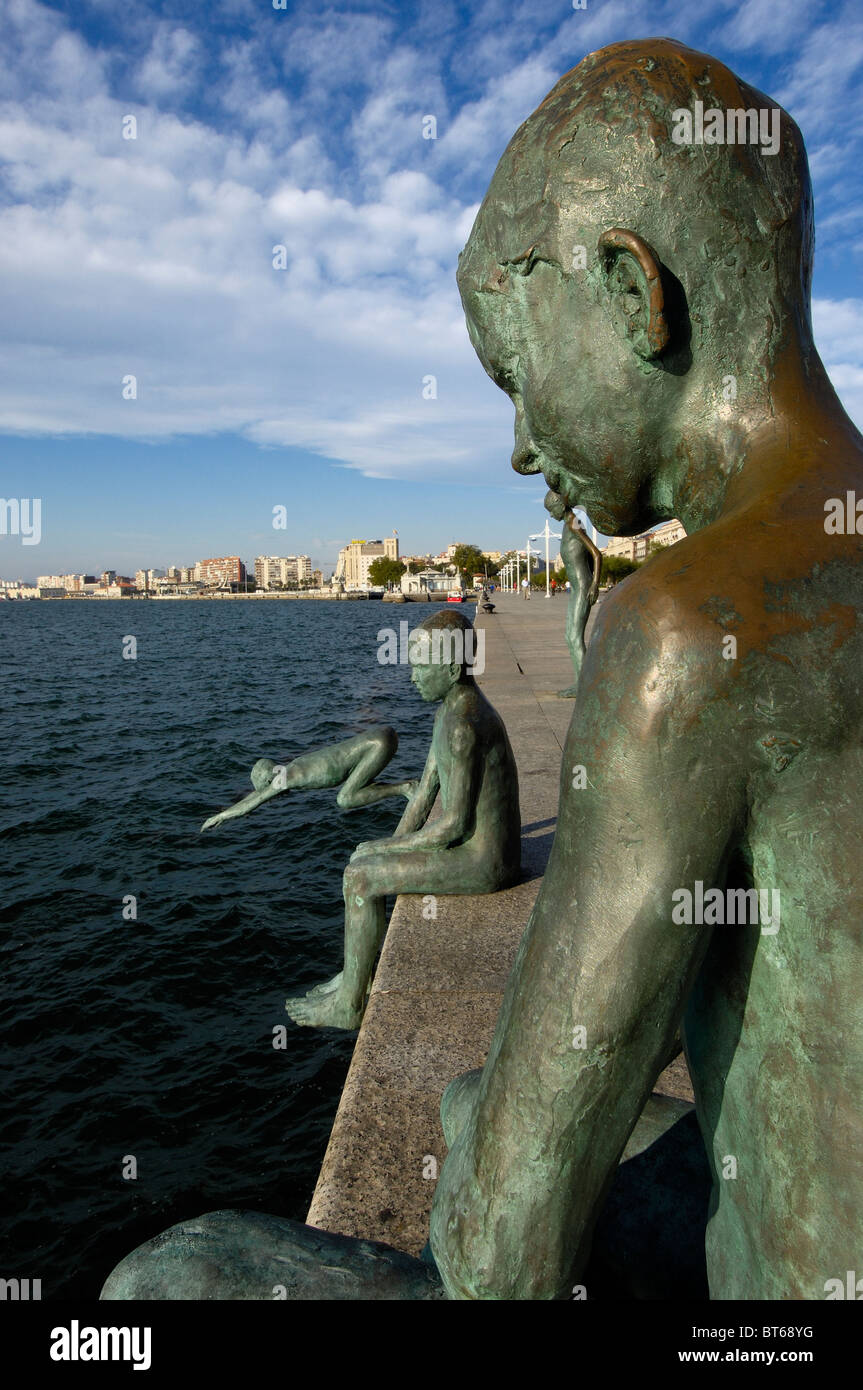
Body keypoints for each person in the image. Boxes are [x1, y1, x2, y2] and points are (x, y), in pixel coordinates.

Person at [427, 37, 863, 1300]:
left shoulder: (687, 632)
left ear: (630, 292)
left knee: (162, 1279)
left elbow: (497, 1257)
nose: (517, 447)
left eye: (514, 375)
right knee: (466, 1101)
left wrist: (636, 663)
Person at [203, 609, 521, 1031]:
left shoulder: (462, 726)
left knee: (360, 878)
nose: (412, 677)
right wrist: (387, 849)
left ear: (448, 666)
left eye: (420, 666)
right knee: (367, 864)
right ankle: (355, 973)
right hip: (483, 847)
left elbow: (456, 825)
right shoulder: (449, 711)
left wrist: (382, 851)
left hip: (487, 861)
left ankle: (350, 1005)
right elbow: (424, 794)